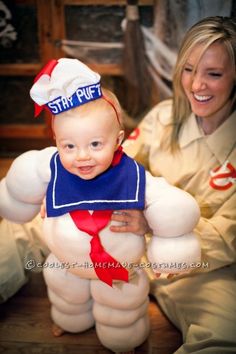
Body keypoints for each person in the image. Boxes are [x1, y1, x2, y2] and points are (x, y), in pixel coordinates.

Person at [0, 58, 200, 353]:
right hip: (67, 260)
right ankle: (69, 322)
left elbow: (173, 207)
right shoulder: (50, 166)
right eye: (69, 146)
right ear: (56, 141)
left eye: (95, 144)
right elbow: (19, 187)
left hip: (118, 266)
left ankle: (125, 340)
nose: (82, 156)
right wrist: (21, 198)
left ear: (118, 140)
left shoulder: (133, 176)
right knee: (67, 298)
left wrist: (168, 238)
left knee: (121, 312)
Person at [119, 15, 236, 354]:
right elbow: (118, 164)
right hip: (128, 239)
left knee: (226, 335)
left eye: (213, 74)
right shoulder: (163, 116)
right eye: (188, 69)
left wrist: (160, 231)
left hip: (199, 266)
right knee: (26, 229)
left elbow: (228, 236)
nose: (196, 85)